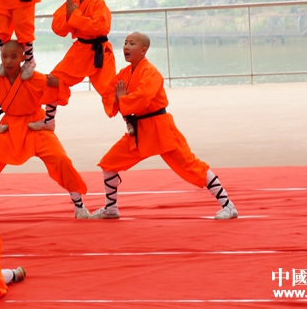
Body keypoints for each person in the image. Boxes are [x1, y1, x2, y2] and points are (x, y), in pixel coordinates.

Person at [90, 32, 239, 220]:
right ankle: (111, 209)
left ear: (143, 50)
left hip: (160, 127)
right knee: (109, 163)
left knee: (191, 165)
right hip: (139, 130)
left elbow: (143, 97)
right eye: (126, 43)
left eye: (132, 43)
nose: (126, 46)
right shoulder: (125, 73)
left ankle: (228, 206)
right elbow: (108, 91)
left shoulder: (151, 72)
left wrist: (123, 99)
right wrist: (100, 75)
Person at [0, 41, 90, 218]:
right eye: (4, 56)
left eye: (13, 57)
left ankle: (79, 205)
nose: (8, 61)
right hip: (9, 128)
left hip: (36, 125)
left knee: (60, 159)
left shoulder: (37, 78)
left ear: (23, 58)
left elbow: (56, 94)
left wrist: (58, 84)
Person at [29, 0, 116, 131]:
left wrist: (74, 16)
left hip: (99, 52)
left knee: (111, 91)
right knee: (53, 80)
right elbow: (57, 28)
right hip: (79, 51)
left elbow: (100, 27)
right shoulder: (72, 3)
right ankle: (48, 120)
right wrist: (70, 15)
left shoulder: (98, 2)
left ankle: (132, 120)